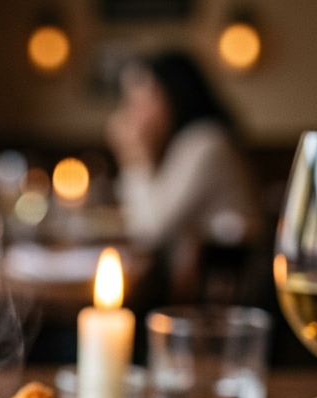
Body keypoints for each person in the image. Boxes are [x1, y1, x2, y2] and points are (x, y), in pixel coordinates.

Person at [106, 52, 258, 300]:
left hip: (221, 298)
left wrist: (133, 156)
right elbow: (139, 218)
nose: (133, 115)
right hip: (194, 288)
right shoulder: (184, 143)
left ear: (173, 94)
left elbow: (147, 230)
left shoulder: (206, 141)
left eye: (142, 102)